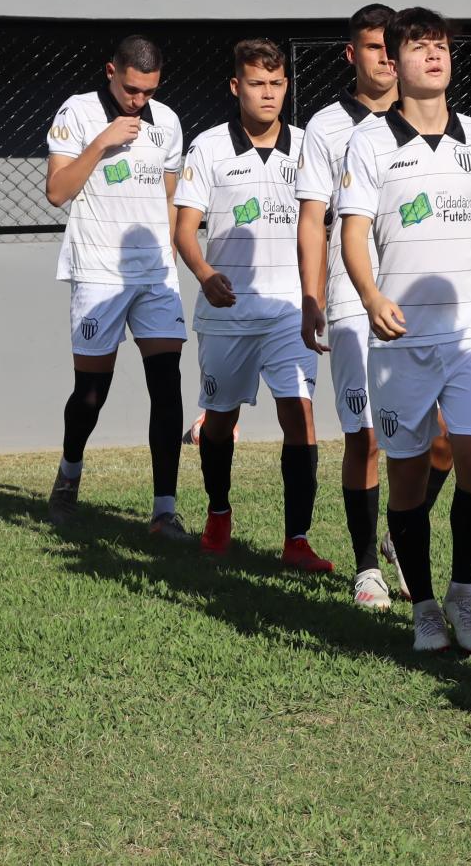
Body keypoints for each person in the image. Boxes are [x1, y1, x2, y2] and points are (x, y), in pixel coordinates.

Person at [336, 7, 471, 652]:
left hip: (470, 331)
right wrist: (371, 294)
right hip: (399, 340)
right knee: (407, 476)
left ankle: (463, 594)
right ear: (395, 60)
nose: (433, 56)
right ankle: (425, 606)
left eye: (441, 47)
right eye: (419, 47)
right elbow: (351, 232)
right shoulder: (368, 141)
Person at [295, 3, 454, 610]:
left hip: (421, 300)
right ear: (352, 55)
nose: (387, 58)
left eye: (396, 48)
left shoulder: (439, 123)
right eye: (373, 48)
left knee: (441, 435)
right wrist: (312, 296)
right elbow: (314, 220)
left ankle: (399, 533)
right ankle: (367, 566)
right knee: (363, 434)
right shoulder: (326, 129)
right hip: (349, 298)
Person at [174, 39, 332, 572]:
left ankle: (297, 539)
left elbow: (322, 231)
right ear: (236, 87)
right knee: (219, 421)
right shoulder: (208, 148)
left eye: (277, 83)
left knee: (301, 417)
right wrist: (205, 273)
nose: (268, 94)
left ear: (287, 85)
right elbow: (184, 230)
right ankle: (219, 513)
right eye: (257, 84)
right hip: (228, 312)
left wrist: (317, 299)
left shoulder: (311, 146)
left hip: (291, 309)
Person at [43, 36, 188, 536]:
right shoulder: (78, 113)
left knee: (167, 384)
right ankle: (69, 474)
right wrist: (102, 141)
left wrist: (170, 248)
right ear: (111, 71)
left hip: (154, 274)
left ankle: (164, 509)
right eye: (131, 89)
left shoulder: (166, 121)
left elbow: (170, 195)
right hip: (97, 270)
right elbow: (57, 192)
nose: (138, 101)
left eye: (148, 91)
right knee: (91, 392)